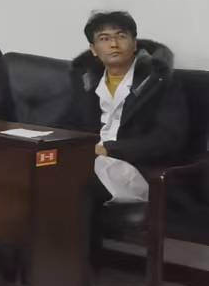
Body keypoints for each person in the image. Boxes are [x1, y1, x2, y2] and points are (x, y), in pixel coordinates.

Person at [69, 10, 188, 207]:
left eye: (121, 36)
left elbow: (168, 139)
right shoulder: (86, 81)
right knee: (46, 169)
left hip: (135, 168)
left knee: (71, 179)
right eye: (104, 38)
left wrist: (109, 149)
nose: (114, 44)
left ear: (134, 44)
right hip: (89, 159)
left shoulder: (160, 82)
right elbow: (69, 123)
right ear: (93, 49)